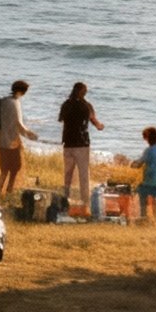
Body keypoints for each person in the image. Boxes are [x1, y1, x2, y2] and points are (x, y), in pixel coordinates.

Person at [59, 80, 102, 214]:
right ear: (84, 92)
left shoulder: (66, 104)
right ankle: (85, 202)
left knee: (68, 174)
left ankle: (65, 199)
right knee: (83, 175)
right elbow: (95, 122)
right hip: (82, 144)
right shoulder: (86, 106)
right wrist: (101, 126)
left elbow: (60, 119)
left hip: (68, 143)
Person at [0, 80, 37, 201]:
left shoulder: (3, 101)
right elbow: (18, 124)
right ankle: (8, 193)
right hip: (12, 142)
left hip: (1, 140)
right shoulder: (15, 103)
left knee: (4, 170)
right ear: (22, 91)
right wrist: (30, 134)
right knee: (15, 169)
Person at [135, 126, 156, 222]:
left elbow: (139, 164)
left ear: (148, 138)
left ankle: (143, 216)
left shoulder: (149, 150)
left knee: (140, 191)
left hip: (149, 181)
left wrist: (132, 164)